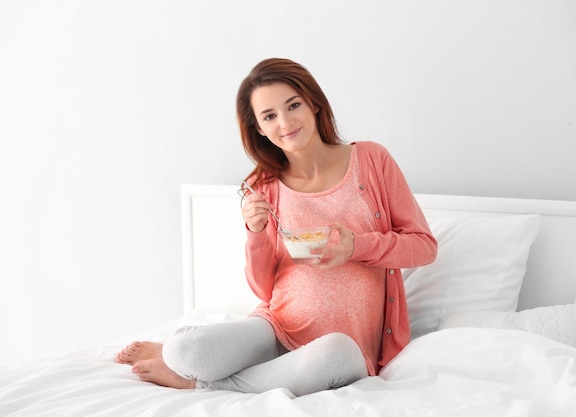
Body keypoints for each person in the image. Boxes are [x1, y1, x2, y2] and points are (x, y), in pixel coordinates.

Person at [116, 58, 437, 397]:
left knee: (336, 355)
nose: (285, 122)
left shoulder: (372, 161)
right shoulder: (263, 185)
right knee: (183, 350)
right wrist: (255, 234)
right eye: (269, 116)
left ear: (313, 103)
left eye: (293, 105)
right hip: (276, 328)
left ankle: (203, 383)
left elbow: (424, 246)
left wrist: (356, 246)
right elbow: (263, 289)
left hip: (345, 348)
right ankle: (205, 364)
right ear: (259, 128)